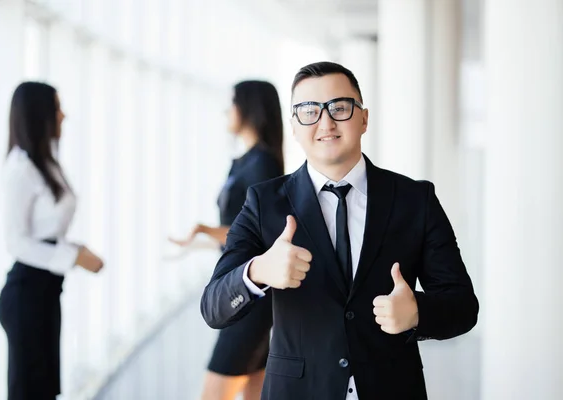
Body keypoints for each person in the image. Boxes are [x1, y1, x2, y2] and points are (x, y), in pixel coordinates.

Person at [200, 62, 479, 400]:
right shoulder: (264, 202)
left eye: (340, 107)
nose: (326, 122)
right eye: (308, 110)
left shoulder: (414, 199)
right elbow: (213, 306)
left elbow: (463, 305)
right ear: (294, 125)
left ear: (363, 118)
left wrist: (418, 311)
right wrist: (258, 270)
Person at [169, 80, 284, 400]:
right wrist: (205, 240)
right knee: (254, 390)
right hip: (244, 289)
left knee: (215, 392)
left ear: (249, 108)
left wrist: (207, 230)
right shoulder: (249, 160)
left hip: (248, 296)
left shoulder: (262, 163)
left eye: (232, 103)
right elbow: (240, 234)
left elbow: (261, 234)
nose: (226, 111)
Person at [0, 82, 104, 400]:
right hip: (25, 296)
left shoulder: (45, 164)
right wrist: (74, 255)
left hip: (46, 292)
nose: (63, 116)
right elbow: (16, 242)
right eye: (57, 108)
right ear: (38, 115)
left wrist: (75, 252)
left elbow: (47, 230)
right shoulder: (20, 170)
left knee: (44, 390)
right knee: (29, 391)